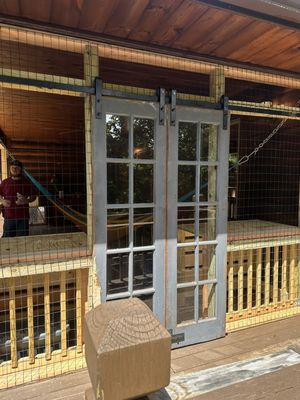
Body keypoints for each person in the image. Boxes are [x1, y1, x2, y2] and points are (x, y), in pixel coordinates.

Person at [0, 159, 38, 237]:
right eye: (12, 167)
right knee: (7, 241)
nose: (14, 169)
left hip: (23, 218)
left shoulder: (27, 182)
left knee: (23, 241)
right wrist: (2, 200)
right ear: (10, 169)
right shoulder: (4, 182)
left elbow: (34, 196)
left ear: (21, 169)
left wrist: (26, 201)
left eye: (16, 168)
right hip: (8, 217)